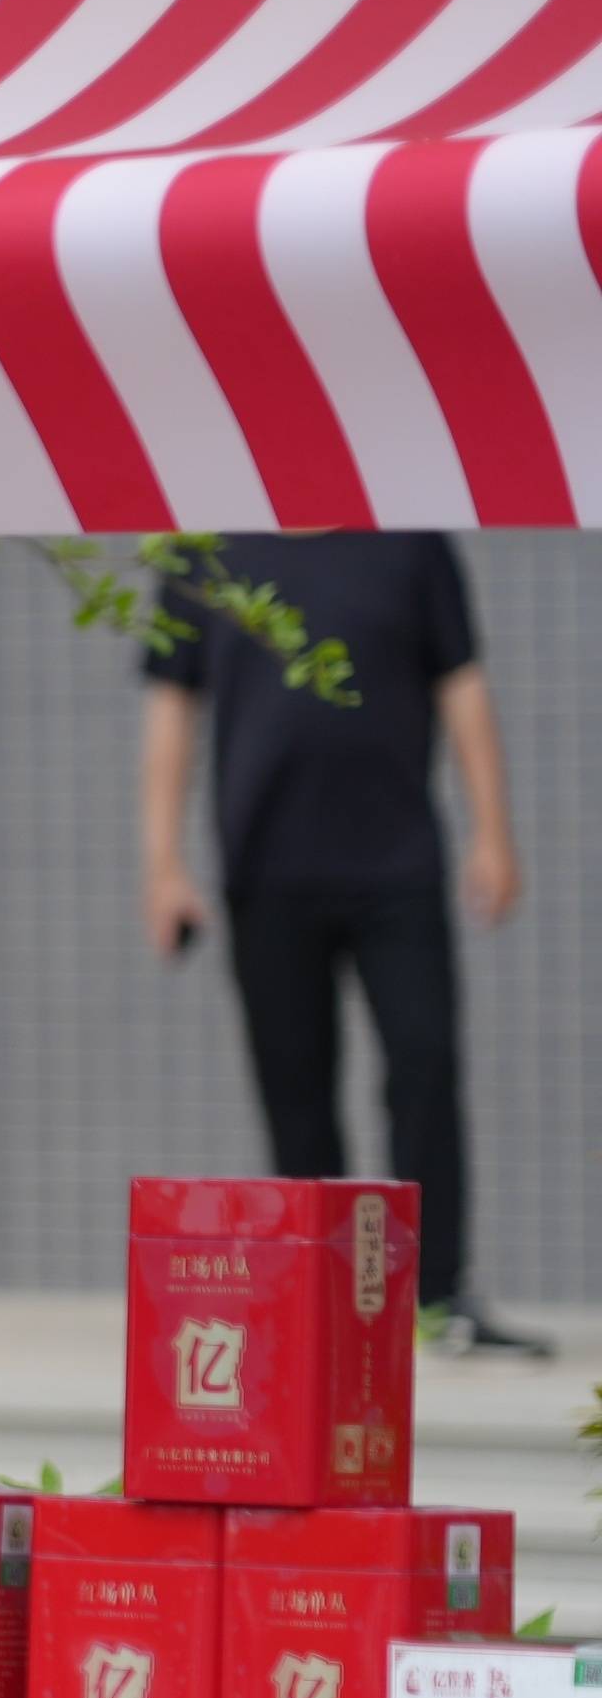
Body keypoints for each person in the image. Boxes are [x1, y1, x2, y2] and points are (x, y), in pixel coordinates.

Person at [138, 529, 546, 1359]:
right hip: (266, 870)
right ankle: (320, 1304)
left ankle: (435, 1297)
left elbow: (461, 686)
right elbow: (172, 703)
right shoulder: (205, 551)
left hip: (398, 867)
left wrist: (493, 834)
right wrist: (164, 864)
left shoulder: (409, 545)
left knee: (425, 1064)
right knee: (296, 1092)